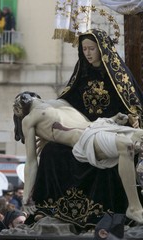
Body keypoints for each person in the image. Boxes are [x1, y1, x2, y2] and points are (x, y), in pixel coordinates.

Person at [24, 28, 143, 229]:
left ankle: (124, 208)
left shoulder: (118, 77)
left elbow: (133, 105)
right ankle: (51, 208)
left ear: (102, 50)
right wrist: (48, 131)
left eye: (92, 49)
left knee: (132, 142)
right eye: (84, 49)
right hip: (88, 132)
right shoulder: (81, 74)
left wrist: (130, 118)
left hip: (109, 127)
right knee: (52, 151)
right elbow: (65, 103)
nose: (87, 53)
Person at [13, 91, 143, 224]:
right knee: (126, 146)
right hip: (85, 140)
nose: (21, 99)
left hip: (100, 126)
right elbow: (31, 161)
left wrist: (112, 119)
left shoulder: (60, 103)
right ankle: (134, 207)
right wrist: (26, 196)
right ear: (18, 111)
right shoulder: (29, 120)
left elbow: (86, 122)